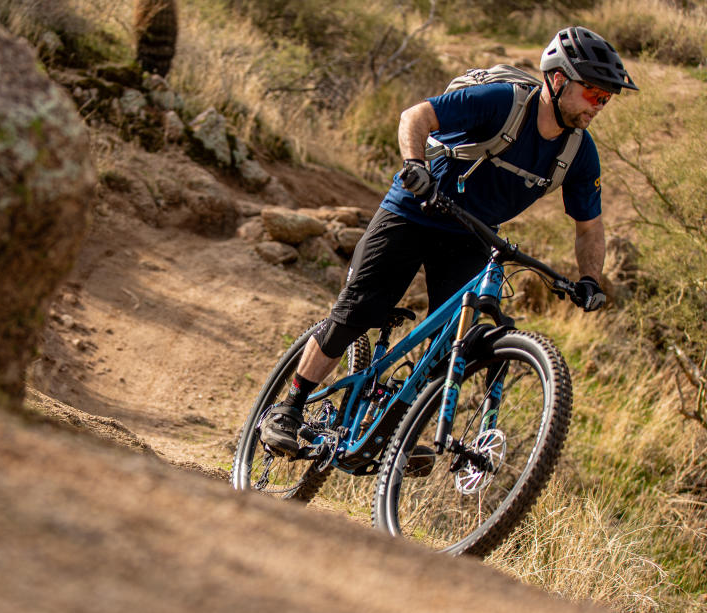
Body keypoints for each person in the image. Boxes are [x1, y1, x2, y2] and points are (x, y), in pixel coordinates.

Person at [261, 26, 639, 455]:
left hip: (471, 234)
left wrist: (590, 279)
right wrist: (414, 165)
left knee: (453, 346)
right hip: (414, 209)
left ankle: (397, 427)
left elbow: (589, 226)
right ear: (558, 80)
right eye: (594, 94)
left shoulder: (579, 152)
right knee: (358, 310)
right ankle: (289, 407)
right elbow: (414, 117)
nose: (599, 106)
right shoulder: (502, 103)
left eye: (606, 99)